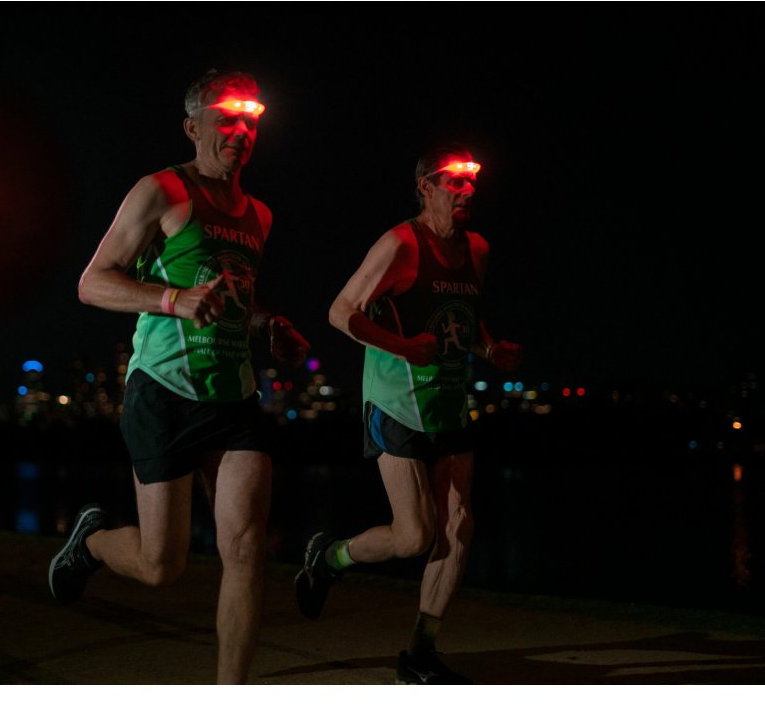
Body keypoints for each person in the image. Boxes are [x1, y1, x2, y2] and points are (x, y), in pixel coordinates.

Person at [48, 69, 309, 684]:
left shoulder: (260, 215)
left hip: (234, 397)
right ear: (193, 128)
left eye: (249, 121)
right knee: (161, 566)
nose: (240, 131)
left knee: (245, 548)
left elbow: (233, 294)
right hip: (163, 393)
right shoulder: (161, 190)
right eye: (226, 119)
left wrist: (268, 325)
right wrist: (173, 299)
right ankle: (91, 543)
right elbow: (92, 283)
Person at [294, 143, 522, 685]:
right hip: (396, 403)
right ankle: (331, 558)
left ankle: (420, 653)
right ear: (425, 187)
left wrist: (490, 348)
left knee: (459, 525)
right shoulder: (400, 244)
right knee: (415, 534)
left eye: (471, 182)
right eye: (454, 182)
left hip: (449, 403)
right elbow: (340, 311)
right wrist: (402, 347)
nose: (467, 190)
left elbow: (463, 317)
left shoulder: (478, 249)